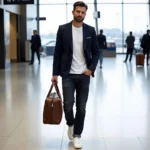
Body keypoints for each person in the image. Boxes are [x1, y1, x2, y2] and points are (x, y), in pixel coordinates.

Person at [51, 1, 100, 149]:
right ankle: (70, 124)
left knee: (81, 107)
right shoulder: (63, 29)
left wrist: (91, 69)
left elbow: (96, 52)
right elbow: (57, 52)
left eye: (83, 12)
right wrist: (55, 74)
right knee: (67, 106)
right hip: (68, 74)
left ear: (85, 14)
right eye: (78, 11)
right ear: (73, 12)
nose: (80, 14)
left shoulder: (90, 30)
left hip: (84, 74)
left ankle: (77, 136)